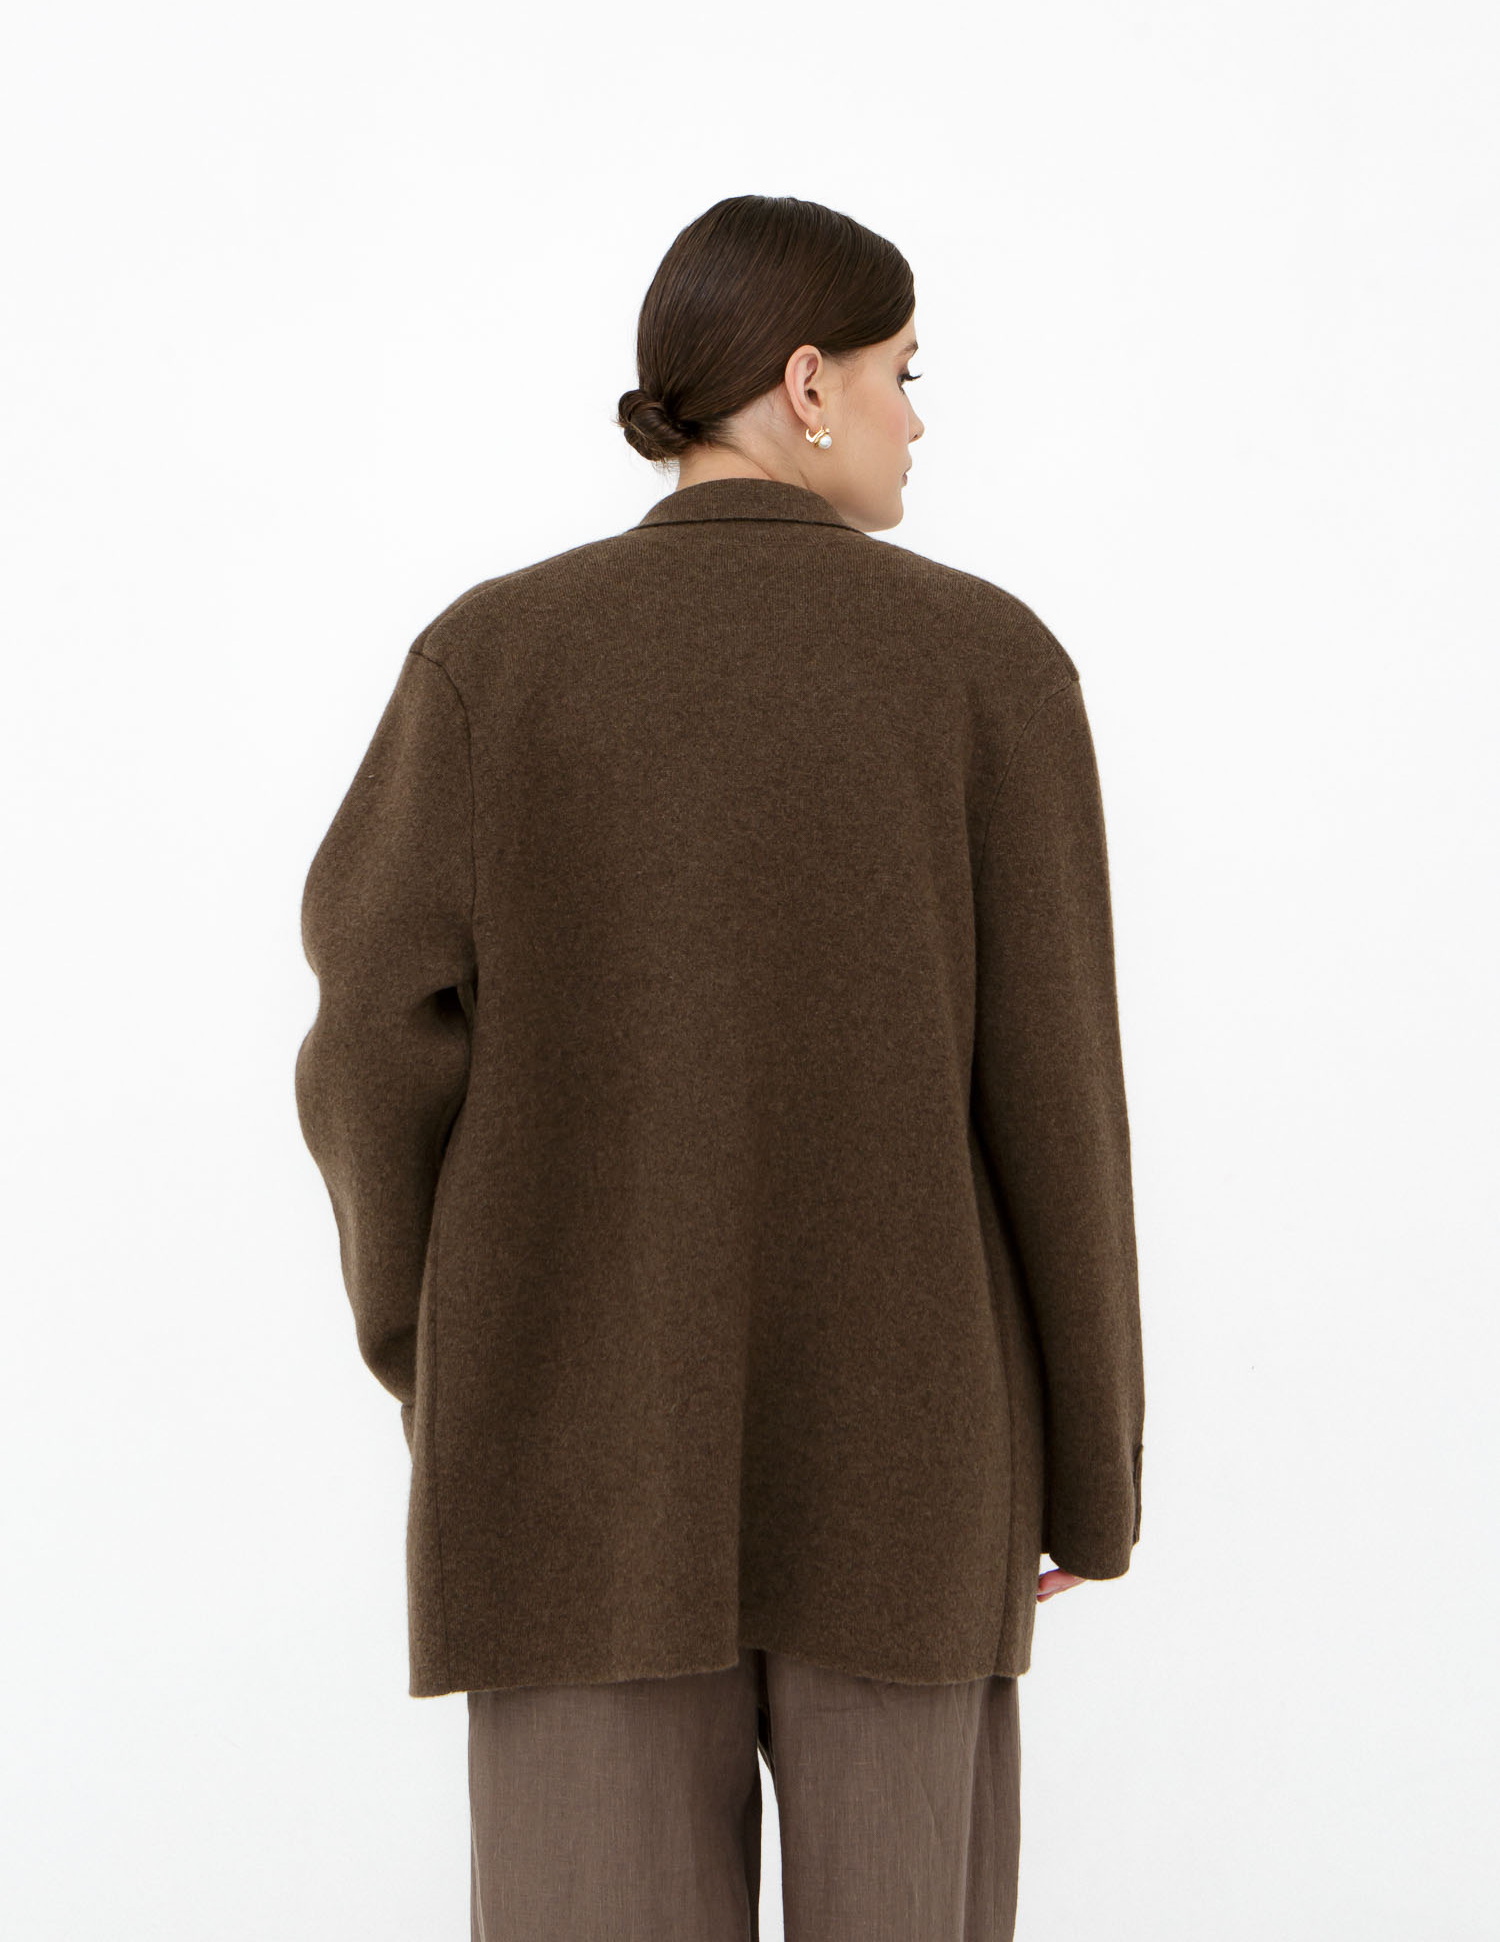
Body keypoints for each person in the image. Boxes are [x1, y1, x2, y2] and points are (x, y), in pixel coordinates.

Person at [294, 192, 1146, 1942]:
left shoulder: (495, 658)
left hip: (571, 1470)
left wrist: (445, 1351)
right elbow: (1060, 1105)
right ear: (809, 384)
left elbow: (369, 1035)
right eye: (909, 374)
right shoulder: (988, 663)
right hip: (916, 1478)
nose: (921, 421)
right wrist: (1088, 1476)